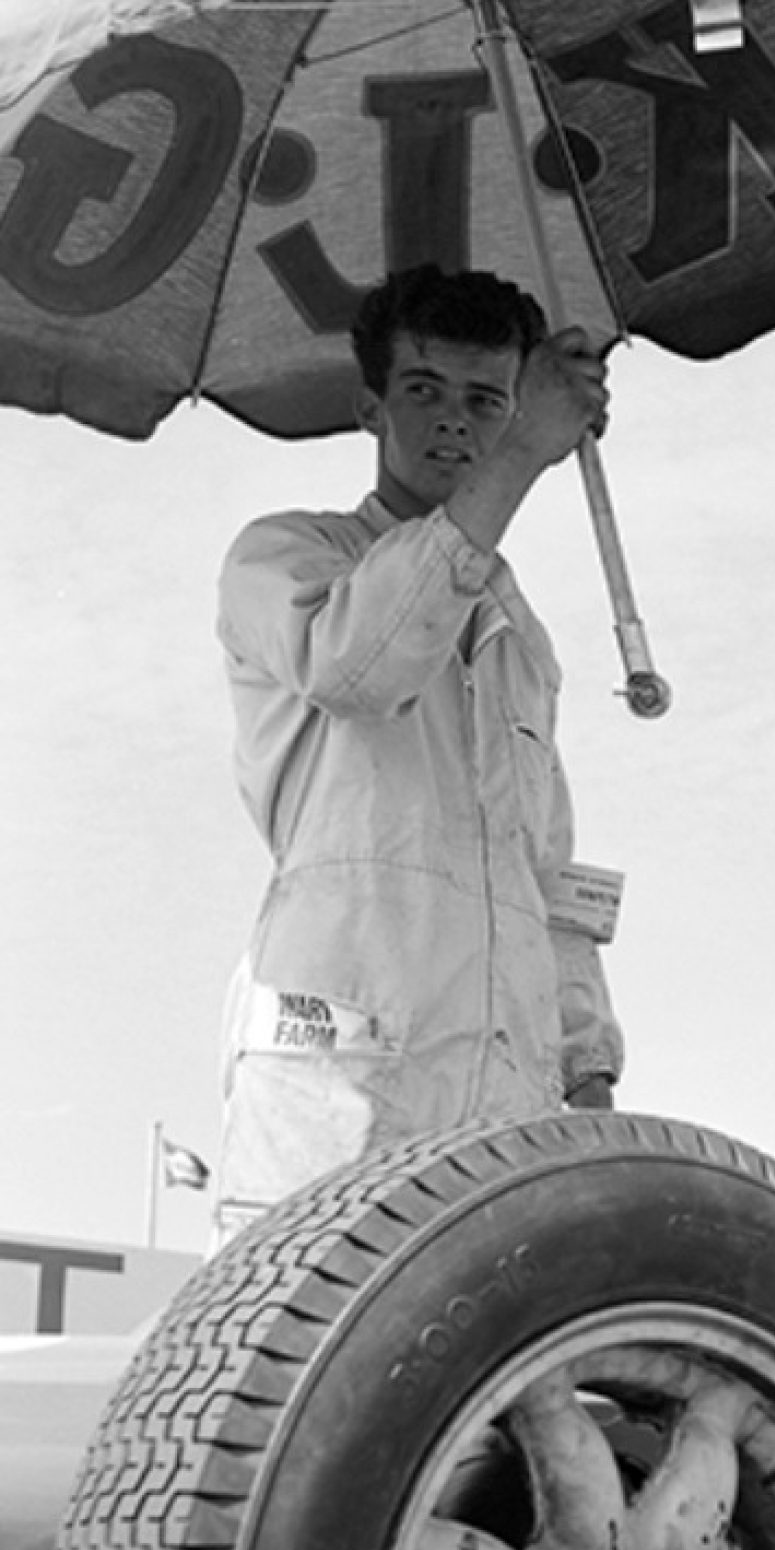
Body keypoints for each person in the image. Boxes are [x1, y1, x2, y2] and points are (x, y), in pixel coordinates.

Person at [211, 265, 625, 1243]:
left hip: (503, 1092)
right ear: (371, 408)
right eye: (424, 390)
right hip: (336, 1064)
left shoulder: (521, 642)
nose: (454, 421)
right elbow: (356, 666)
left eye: (486, 399)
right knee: (308, 1323)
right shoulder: (284, 557)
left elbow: (545, 869)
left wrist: (588, 1068)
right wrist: (518, 457)